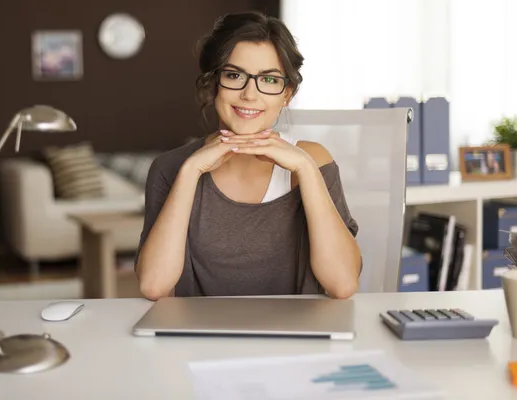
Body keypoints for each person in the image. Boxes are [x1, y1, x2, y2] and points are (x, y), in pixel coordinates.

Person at [134, 11, 362, 300]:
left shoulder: (311, 159)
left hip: (296, 337)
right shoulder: (172, 167)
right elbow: (154, 286)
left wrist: (304, 168)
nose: (249, 94)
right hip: (199, 340)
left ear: (287, 94)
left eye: (268, 80)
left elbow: (342, 284)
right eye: (234, 75)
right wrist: (190, 172)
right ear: (213, 84)